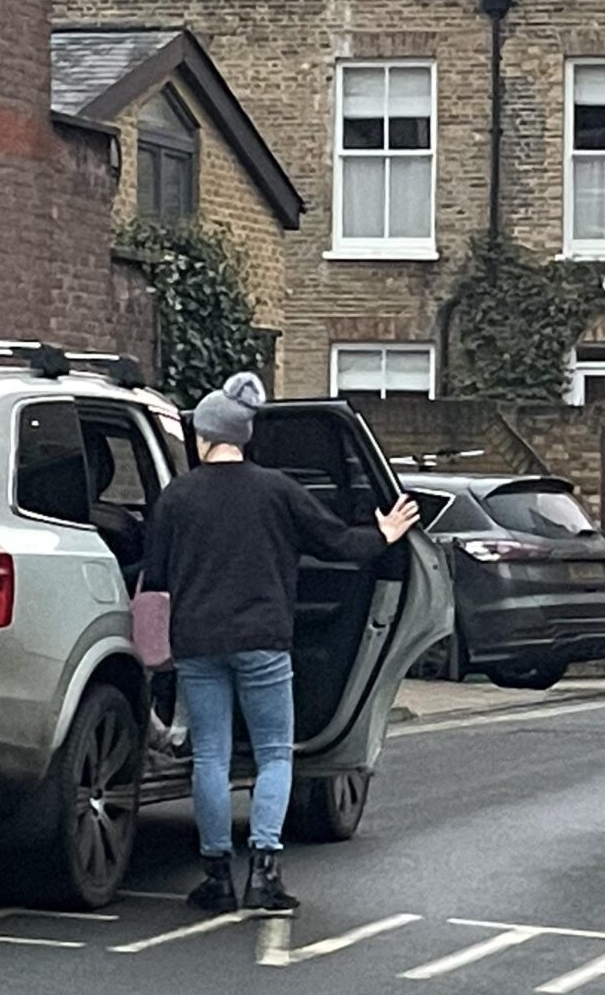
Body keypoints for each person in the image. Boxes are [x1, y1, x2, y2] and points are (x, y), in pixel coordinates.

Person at [140, 372, 420, 914]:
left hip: (198, 641)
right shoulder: (278, 490)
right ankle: (264, 873)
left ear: (205, 437)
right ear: (243, 436)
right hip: (263, 640)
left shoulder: (177, 497)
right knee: (273, 755)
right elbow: (336, 543)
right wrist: (383, 534)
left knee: (211, 758)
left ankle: (216, 876)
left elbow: (157, 577)